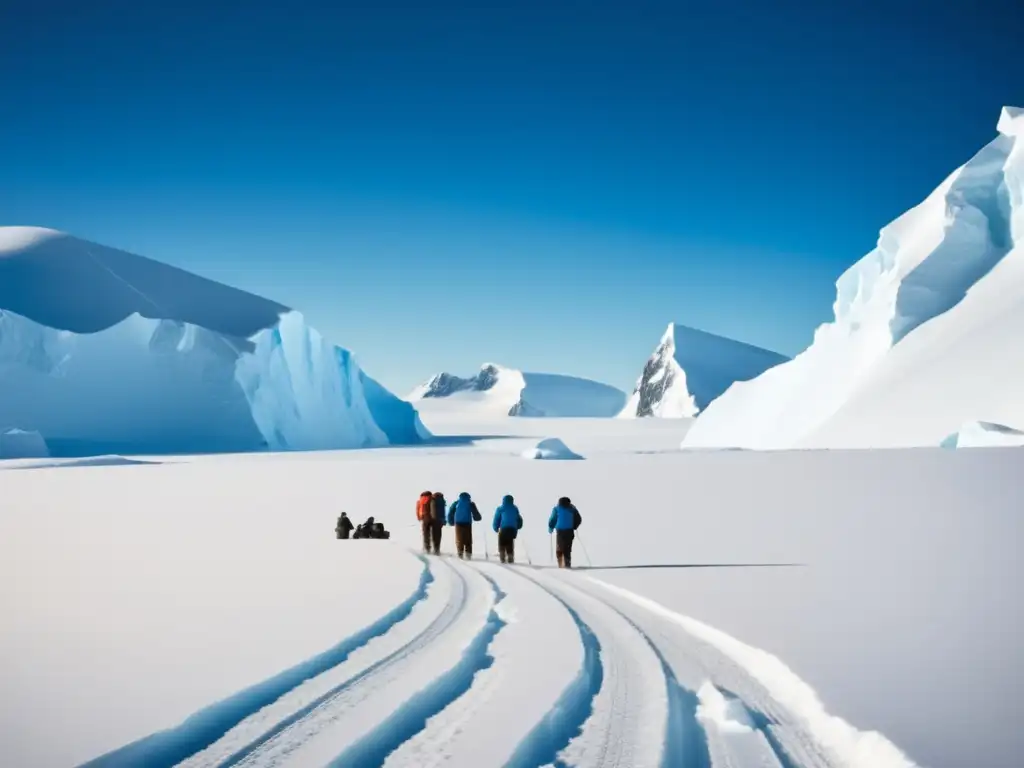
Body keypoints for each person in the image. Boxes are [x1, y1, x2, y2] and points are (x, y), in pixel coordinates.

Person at [548, 496, 582, 568]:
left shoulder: (556, 509)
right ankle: (567, 563)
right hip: (569, 530)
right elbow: (579, 519)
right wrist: (574, 526)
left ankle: (561, 564)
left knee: (559, 547)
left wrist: (550, 528)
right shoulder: (572, 509)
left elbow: (552, 520)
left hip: (560, 531)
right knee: (567, 548)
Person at [447, 491, 481, 559]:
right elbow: (476, 513)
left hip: (458, 523)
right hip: (467, 523)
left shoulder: (456, 503)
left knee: (459, 538)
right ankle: (468, 554)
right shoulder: (470, 503)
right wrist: (477, 518)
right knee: (468, 538)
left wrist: (451, 522)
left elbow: (450, 512)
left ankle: (460, 553)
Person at [492, 494, 523, 564]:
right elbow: (518, 518)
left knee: (502, 541)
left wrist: (495, 528)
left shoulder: (500, 508)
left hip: (503, 529)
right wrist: (518, 527)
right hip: (512, 529)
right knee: (510, 542)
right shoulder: (515, 508)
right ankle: (510, 555)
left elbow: (496, 519)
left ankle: (502, 555)